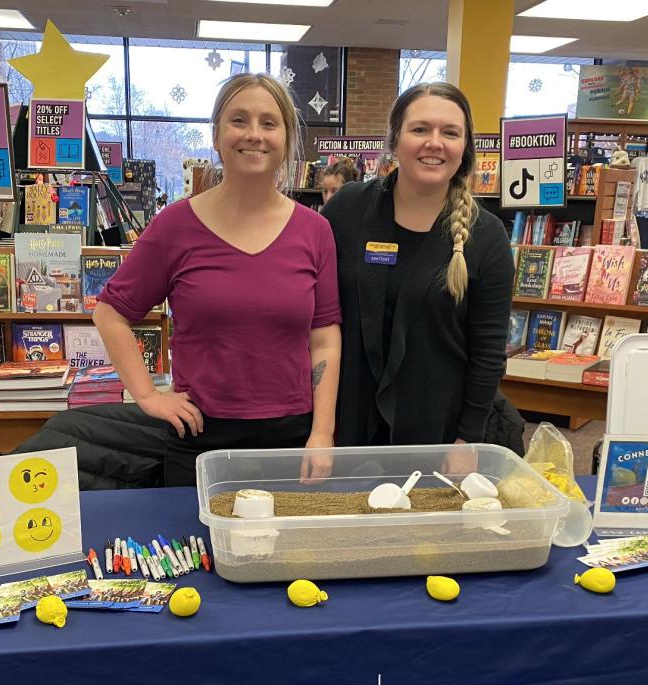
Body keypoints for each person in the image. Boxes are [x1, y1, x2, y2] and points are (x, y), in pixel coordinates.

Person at [95, 73, 341, 486]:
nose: (254, 135)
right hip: (199, 435)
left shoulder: (314, 231)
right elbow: (110, 313)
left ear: (287, 138)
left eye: (269, 122)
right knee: (197, 551)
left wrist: (323, 432)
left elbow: (325, 338)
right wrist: (148, 395)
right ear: (216, 134)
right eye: (239, 120)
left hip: (293, 437)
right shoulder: (174, 225)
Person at [321, 82, 513, 471]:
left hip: (437, 434)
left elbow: (488, 350)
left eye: (450, 132)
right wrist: (320, 427)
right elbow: (318, 315)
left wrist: (468, 438)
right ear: (395, 139)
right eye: (420, 129)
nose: (434, 143)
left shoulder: (487, 236)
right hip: (348, 424)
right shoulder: (348, 209)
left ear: (465, 147)